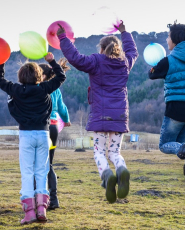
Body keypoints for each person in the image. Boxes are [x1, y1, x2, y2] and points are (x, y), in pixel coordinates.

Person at [57, 22, 138, 203]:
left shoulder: (96, 61)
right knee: (114, 152)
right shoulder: (125, 63)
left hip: (101, 115)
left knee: (99, 152)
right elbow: (133, 51)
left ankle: (107, 175)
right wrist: (124, 32)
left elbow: (75, 58)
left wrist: (63, 38)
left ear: (102, 49)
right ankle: (121, 169)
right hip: (119, 116)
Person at [0, 52, 66, 224]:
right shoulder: (45, 88)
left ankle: (29, 213)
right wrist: (52, 62)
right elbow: (61, 76)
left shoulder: (16, 89)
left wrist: (1, 63)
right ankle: (42, 210)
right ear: (39, 76)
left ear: (20, 76)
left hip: (26, 135)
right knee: (42, 171)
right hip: (43, 134)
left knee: (27, 173)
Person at [148, 22, 185, 183]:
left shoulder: (168, 61)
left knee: (165, 145)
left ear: (175, 40)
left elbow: (152, 75)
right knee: (179, 145)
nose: (167, 40)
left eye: (168, 36)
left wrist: (154, 65)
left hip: (178, 109)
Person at [39, 59, 71, 210]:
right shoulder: (56, 89)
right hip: (54, 128)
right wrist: (67, 119)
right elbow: (62, 107)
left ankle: (38, 199)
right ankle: (54, 199)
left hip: (42, 127)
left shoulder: (39, 88)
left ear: (43, 75)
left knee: (38, 165)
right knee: (49, 164)